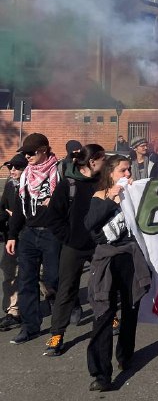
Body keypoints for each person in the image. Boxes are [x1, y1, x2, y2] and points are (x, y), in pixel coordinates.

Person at [84, 155, 151, 392]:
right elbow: (91, 224)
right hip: (107, 261)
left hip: (130, 258)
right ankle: (101, 374)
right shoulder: (100, 196)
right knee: (103, 313)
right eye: (123, 170)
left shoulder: (133, 194)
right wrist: (112, 197)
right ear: (111, 173)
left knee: (130, 309)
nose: (127, 175)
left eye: (129, 170)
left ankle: (126, 355)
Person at [44, 144, 106, 356]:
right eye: (102, 158)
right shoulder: (68, 184)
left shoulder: (103, 182)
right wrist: (69, 237)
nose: (105, 162)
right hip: (74, 246)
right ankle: (57, 334)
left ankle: (110, 318)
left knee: (104, 285)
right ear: (92, 161)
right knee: (66, 289)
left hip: (98, 243)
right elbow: (53, 217)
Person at [5, 133, 61, 344]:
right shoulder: (26, 175)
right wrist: (12, 235)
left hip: (52, 233)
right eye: (25, 153)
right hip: (29, 233)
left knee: (53, 279)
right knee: (26, 281)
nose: (26, 157)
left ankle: (60, 319)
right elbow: (19, 207)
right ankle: (30, 327)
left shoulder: (58, 172)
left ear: (44, 150)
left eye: (31, 153)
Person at [0, 154, 27, 331]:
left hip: (29, 237)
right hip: (11, 237)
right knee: (10, 273)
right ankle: (13, 312)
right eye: (10, 168)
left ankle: (53, 299)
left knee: (43, 277)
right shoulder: (10, 185)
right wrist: (7, 217)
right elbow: (1, 209)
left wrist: (18, 216)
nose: (13, 171)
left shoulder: (32, 186)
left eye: (16, 168)